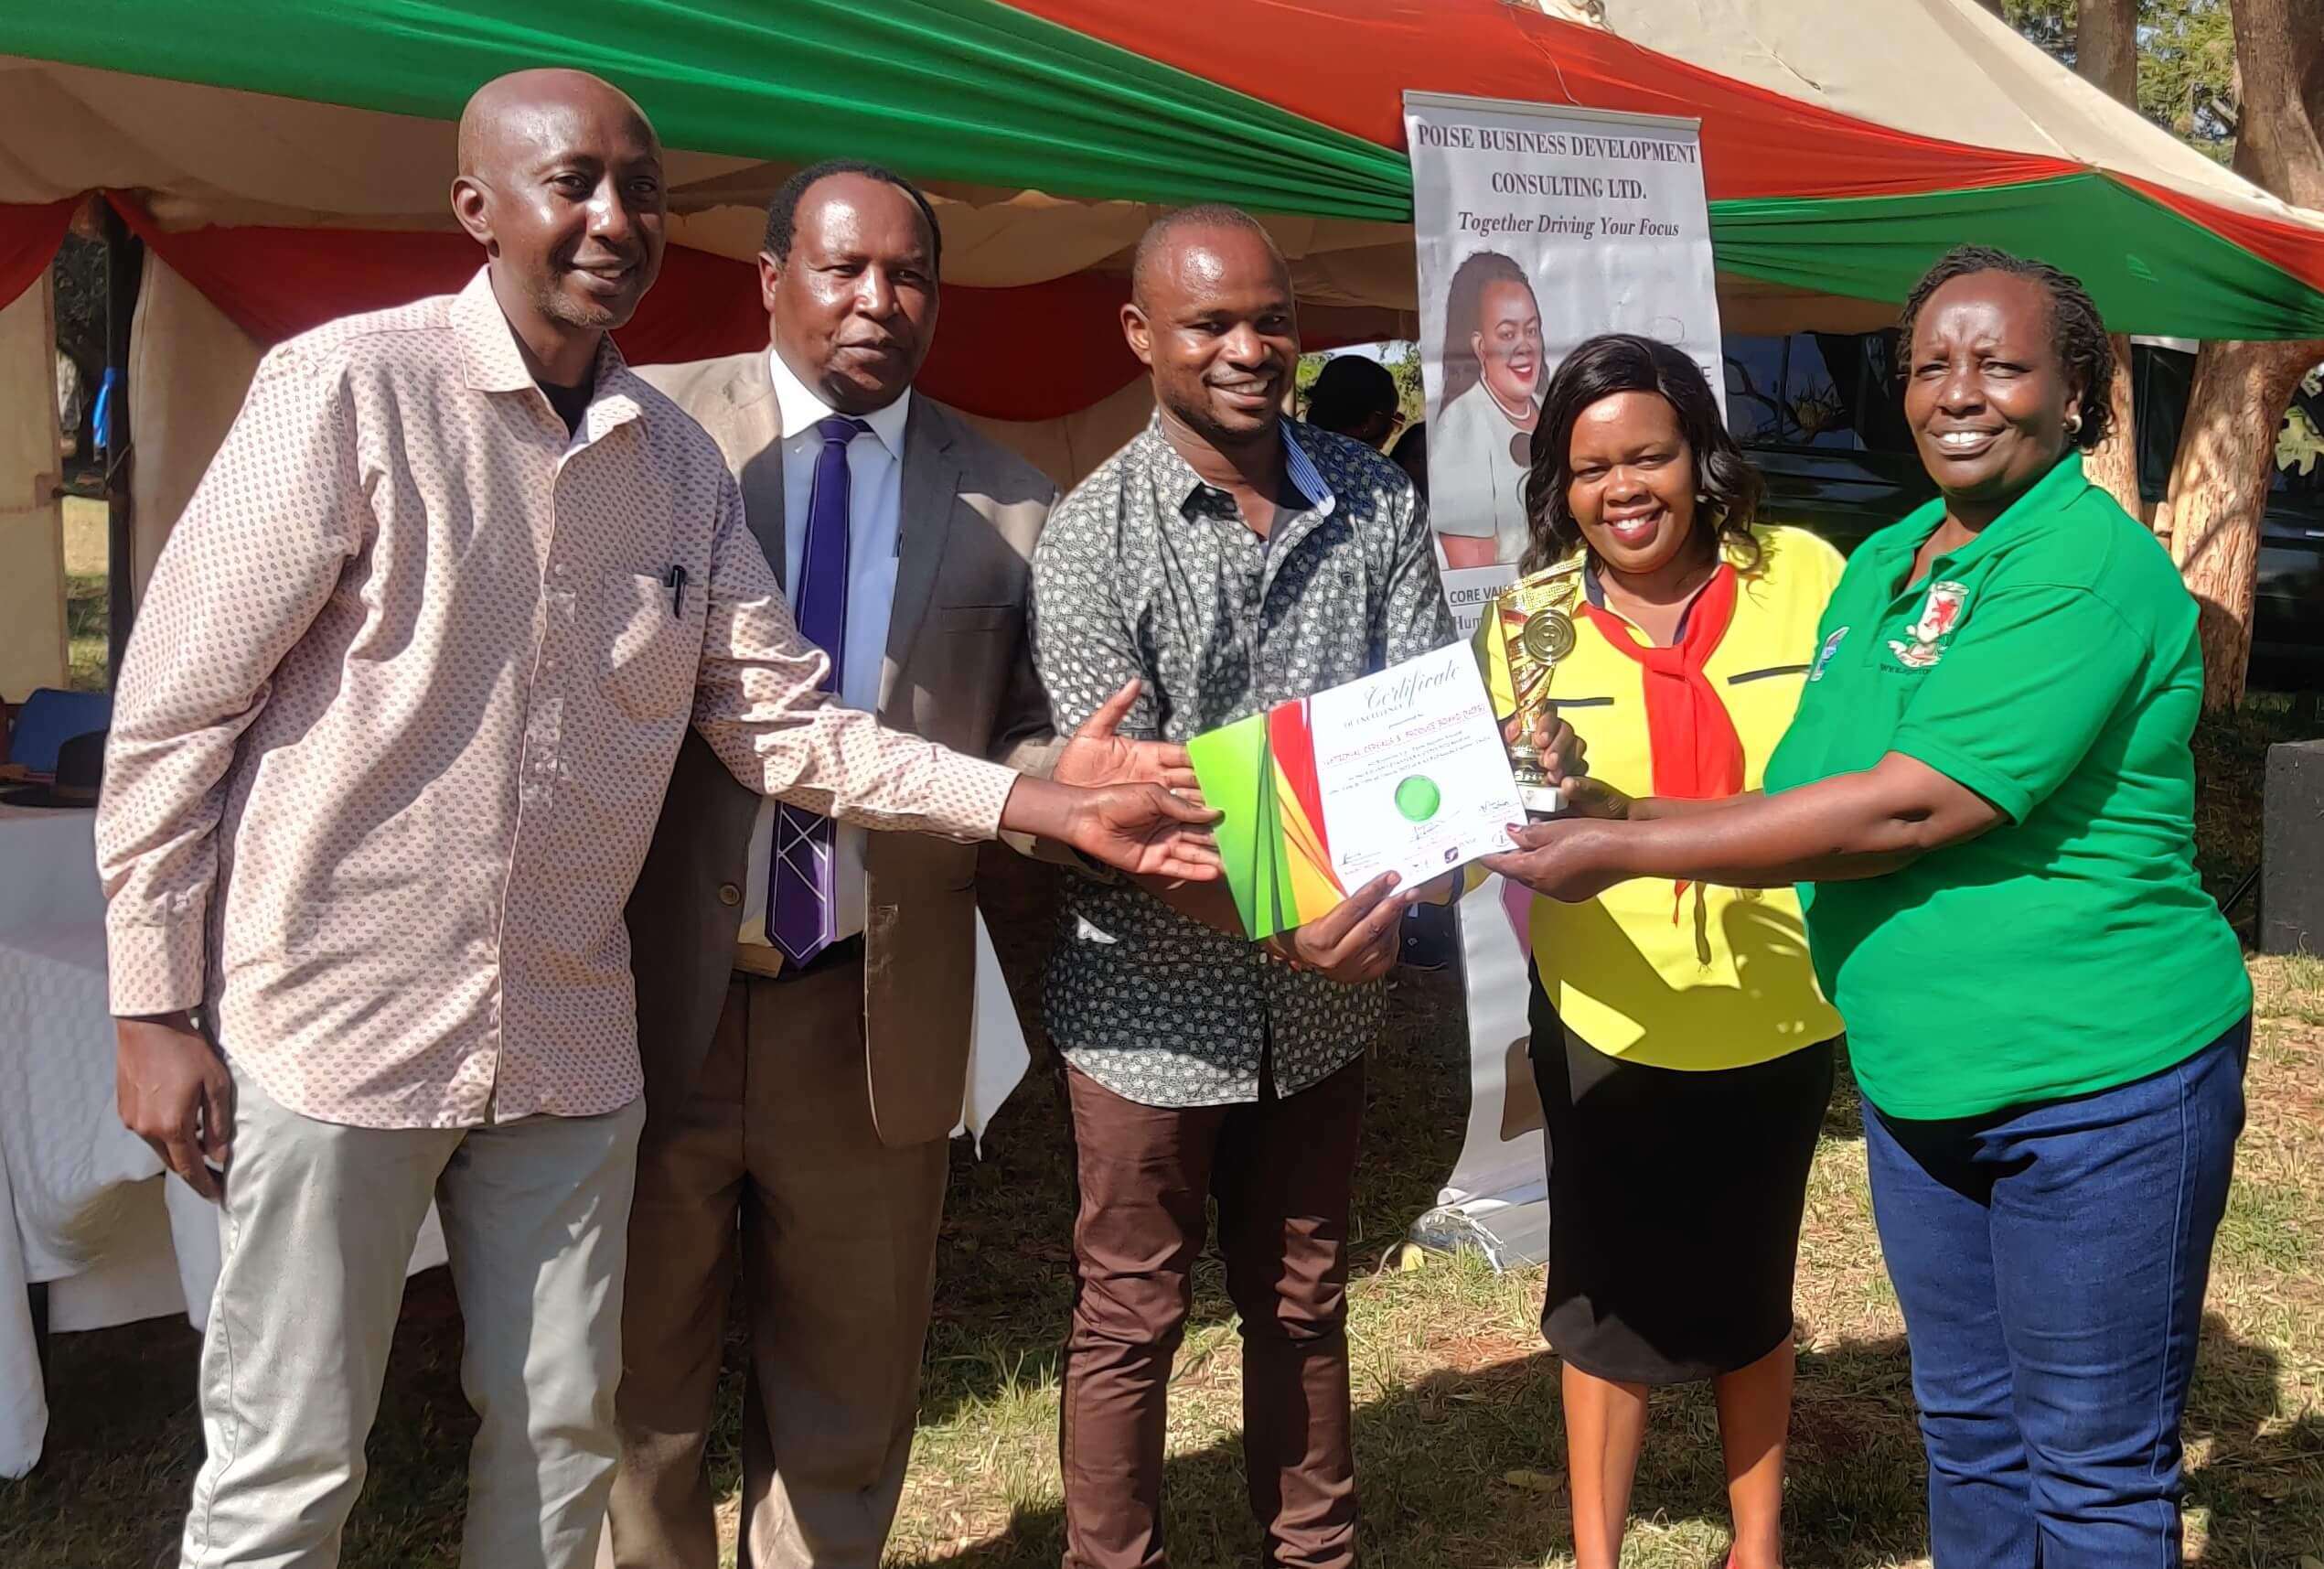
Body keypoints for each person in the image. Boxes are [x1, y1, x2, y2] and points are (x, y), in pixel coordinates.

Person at [96, 72, 1216, 1569]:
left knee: (565, 1441)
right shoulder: (346, 392)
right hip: (336, 1026)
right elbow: (177, 708)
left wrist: (1036, 800)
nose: (610, 219)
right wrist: (154, 999)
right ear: (476, 206)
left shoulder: (671, 467)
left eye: (636, 186)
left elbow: (788, 726)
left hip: (567, 1044)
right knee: (291, 1464)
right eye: (570, 183)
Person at [1485, 247, 2252, 1567]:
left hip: (2094, 1084)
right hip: (1918, 1079)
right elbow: (1803, 789)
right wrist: (1615, 810)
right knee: (1966, 1431)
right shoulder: (1890, 558)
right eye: (1930, 363)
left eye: (2001, 363)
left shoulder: (2082, 565)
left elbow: (1903, 808)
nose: (1960, 391)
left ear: (2076, 392)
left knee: (2089, 1464)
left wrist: (1625, 849)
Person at [605, 159, 1181, 1569]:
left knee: (848, 1390)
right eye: (844, 268)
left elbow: (1036, 738)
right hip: (642, 998)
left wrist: (1062, 775)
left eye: (909, 274)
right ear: (770, 278)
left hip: (872, 1001)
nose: (879, 300)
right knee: (633, 1383)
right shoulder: (653, 433)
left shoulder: (1006, 496)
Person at [1028, 206, 1466, 1569]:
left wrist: (1376, 916)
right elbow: (1131, 812)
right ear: (1140, 334)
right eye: (1209, 322)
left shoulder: (1376, 499)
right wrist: (1317, 926)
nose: (1246, 349)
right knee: (1131, 1309)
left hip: (1328, 994)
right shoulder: (1093, 536)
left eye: (1268, 320)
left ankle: (1314, 1551)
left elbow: (1426, 743)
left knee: (1299, 1296)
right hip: (1149, 1006)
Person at [1479, 335, 1844, 1569]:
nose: (1624, 488)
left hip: (1781, 1005)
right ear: (1559, 486)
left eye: (1650, 454)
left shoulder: (1806, 576)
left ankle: (1757, 1543)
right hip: (1605, 1009)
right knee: (1600, 1297)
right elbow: (1500, 817)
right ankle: (1598, 1553)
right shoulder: (1525, 626)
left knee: (1752, 1281)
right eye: (1591, 469)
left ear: (1701, 456)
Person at [1430, 250, 1543, 567]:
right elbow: (1472, 571)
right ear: (1480, 347)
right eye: (1508, 334)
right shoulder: (1462, 425)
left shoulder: (1552, 411)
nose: (1524, 345)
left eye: (1531, 330)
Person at [1302, 352, 1400, 448]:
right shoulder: (1370, 462)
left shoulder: (1293, 445)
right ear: (1370, 422)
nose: (1391, 429)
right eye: (1392, 420)